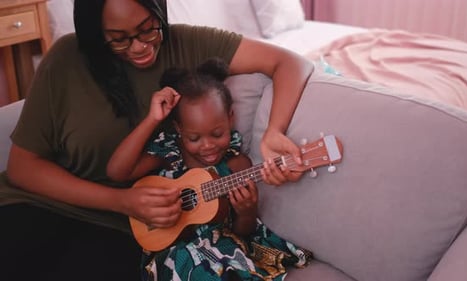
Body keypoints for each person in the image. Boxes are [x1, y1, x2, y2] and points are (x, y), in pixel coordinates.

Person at [0, 0, 313, 280]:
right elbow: (22, 168)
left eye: (148, 29)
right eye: (119, 39)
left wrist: (274, 132)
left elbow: (290, 63)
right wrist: (119, 200)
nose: (139, 47)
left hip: (130, 233)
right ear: (95, 34)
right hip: (36, 206)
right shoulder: (65, 60)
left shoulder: (186, 43)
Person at [107, 58, 312, 281]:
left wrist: (247, 211)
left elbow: (242, 233)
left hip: (222, 253)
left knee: (223, 267)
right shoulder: (169, 154)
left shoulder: (237, 166)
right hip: (171, 251)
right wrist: (152, 119)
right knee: (189, 260)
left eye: (217, 134)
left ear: (230, 118)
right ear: (179, 129)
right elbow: (117, 172)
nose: (207, 146)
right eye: (194, 138)